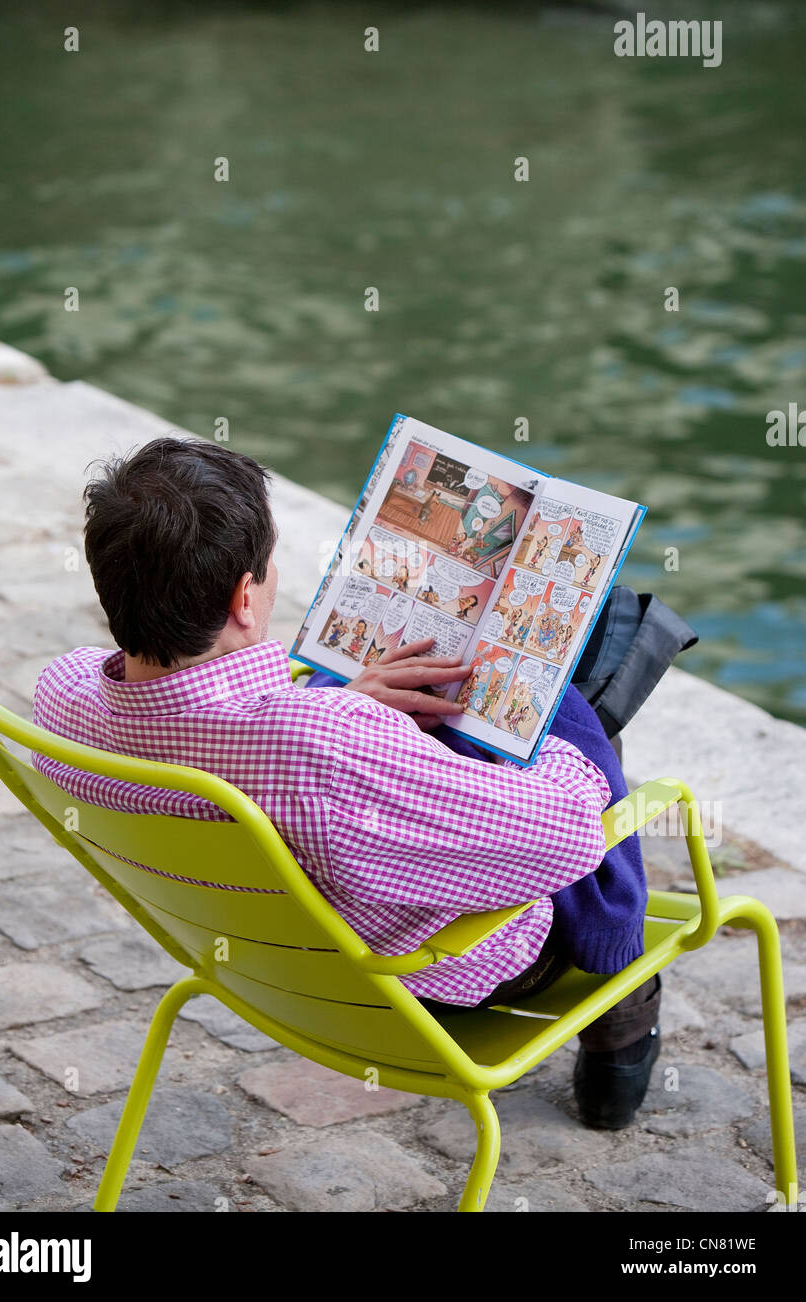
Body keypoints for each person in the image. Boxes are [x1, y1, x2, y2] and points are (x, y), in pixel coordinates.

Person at [33, 438, 663, 1133]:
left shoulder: (62, 701)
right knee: (585, 690)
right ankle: (623, 1016)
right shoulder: (322, 749)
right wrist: (554, 700)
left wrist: (352, 702)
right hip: (432, 977)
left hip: (268, 972)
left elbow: (242, 730)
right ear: (246, 597)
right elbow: (570, 833)